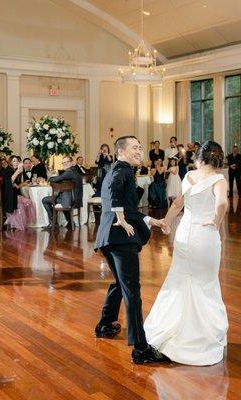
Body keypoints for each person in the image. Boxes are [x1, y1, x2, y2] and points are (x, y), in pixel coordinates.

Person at [145, 140, 229, 366]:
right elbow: (222, 203)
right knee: (206, 282)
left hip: (184, 235)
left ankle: (170, 329)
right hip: (205, 236)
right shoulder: (219, 180)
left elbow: (177, 205)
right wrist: (216, 220)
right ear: (218, 159)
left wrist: (166, 222)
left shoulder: (189, 177)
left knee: (180, 278)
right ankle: (201, 335)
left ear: (199, 158)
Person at [94, 135, 169, 364]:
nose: (139, 150)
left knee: (120, 283)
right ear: (120, 151)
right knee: (132, 292)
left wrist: (152, 221)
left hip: (107, 237)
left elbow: (127, 206)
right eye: (135, 147)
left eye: (140, 147)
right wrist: (121, 218)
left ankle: (105, 324)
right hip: (121, 237)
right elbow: (117, 192)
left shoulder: (116, 168)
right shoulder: (123, 169)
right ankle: (140, 348)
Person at [41, 156, 83, 230]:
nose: (65, 164)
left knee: (45, 200)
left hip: (70, 201)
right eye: (63, 163)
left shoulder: (69, 172)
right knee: (61, 197)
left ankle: (53, 223)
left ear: (72, 163)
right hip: (76, 199)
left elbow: (53, 179)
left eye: (67, 162)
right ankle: (70, 222)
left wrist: (51, 178)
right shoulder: (75, 171)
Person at [2, 156, 36, 230]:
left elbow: (17, 186)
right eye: (14, 161)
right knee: (26, 202)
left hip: (14, 195)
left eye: (17, 161)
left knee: (28, 202)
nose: (16, 162)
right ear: (10, 162)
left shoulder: (14, 171)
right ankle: (17, 223)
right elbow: (9, 183)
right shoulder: (8, 170)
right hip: (9, 196)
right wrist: (17, 172)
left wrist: (23, 183)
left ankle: (22, 222)